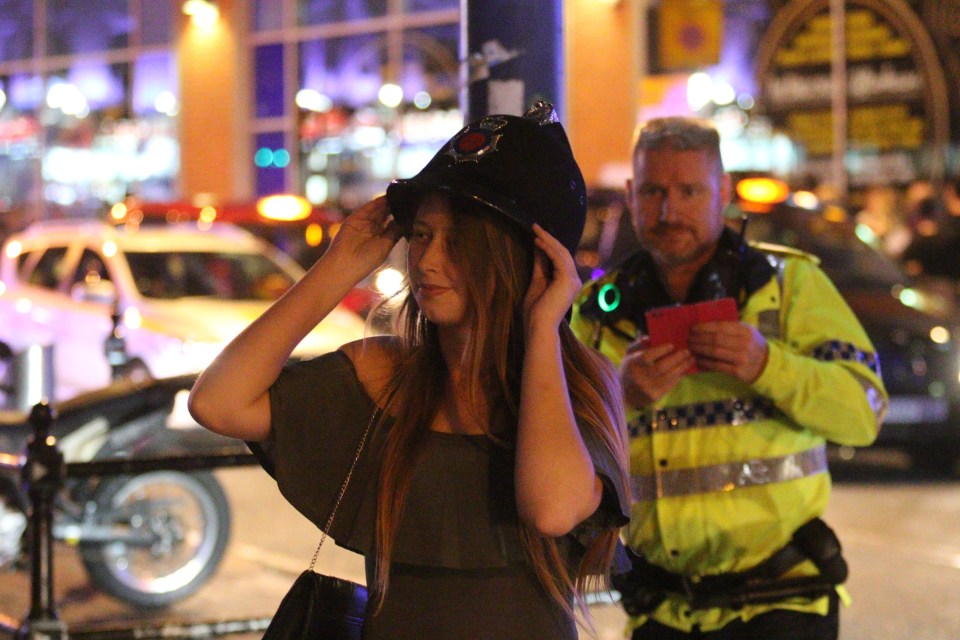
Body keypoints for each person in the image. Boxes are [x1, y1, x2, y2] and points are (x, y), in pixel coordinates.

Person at [188, 103, 630, 640]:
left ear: (522, 256)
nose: (426, 261)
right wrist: (343, 261)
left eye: (457, 240)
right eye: (420, 234)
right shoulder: (383, 374)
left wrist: (542, 328)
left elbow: (552, 510)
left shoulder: (579, 385)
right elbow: (217, 402)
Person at [570, 116, 888, 639]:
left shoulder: (791, 289)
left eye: (689, 191)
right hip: (661, 611)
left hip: (782, 605)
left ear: (722, 191)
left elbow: (864, 414)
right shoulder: (599, 314)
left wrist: (769, 366)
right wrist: (618, 399)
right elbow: (560, 452)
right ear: (630, 194)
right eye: (653, 191)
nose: (669, 210)